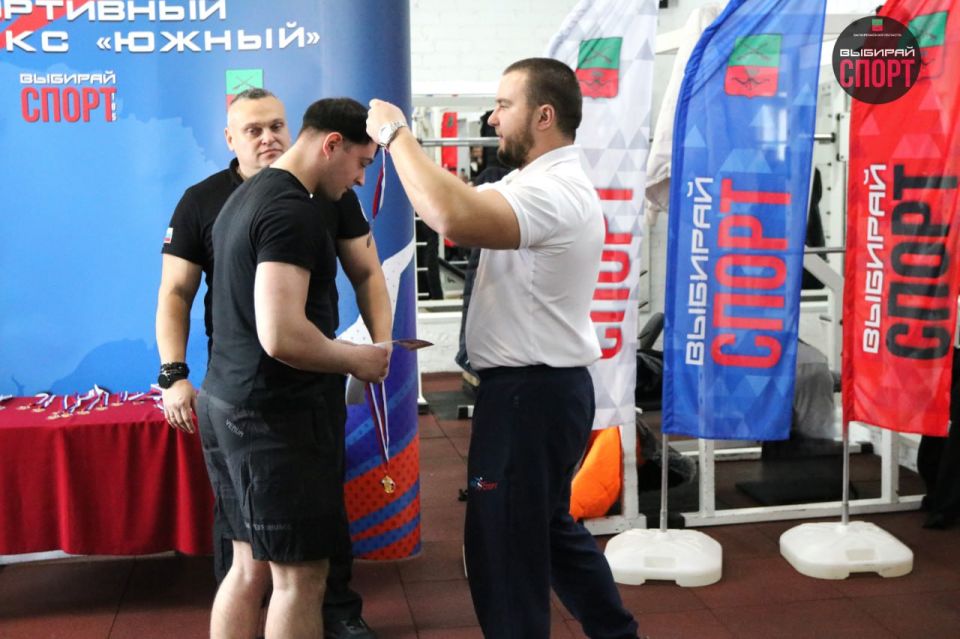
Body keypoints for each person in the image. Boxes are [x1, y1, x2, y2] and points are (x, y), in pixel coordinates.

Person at [367, 58, 641, 638]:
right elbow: (448, 198)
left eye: (502, 106)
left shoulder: (554, 192)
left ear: (543, 116)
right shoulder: (529, 182)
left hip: (529, 396)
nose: (491, 119)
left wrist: (395, 135)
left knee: (504, 552)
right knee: (548, 533)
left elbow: (451, 217)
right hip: (536, 392)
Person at [156, 90, 388, 639]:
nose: (360, 179)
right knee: (299, 579)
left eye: (276, 125)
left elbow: (356, 279)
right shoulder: (291, 210)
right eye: (361, 163)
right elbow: (281, 336)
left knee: (248, 566)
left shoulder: (252, 195)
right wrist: (359, 359)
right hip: (273, 416)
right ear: (333, 145)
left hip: (230, 401)